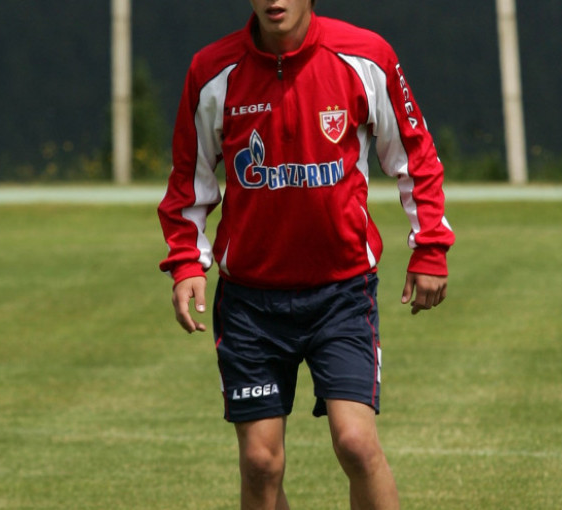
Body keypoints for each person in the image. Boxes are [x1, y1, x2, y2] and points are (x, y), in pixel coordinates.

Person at [158, 1, 455, 508]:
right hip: (250, 303)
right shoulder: (211, 71)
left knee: (356, 443)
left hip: (342, 292)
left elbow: (415, 155)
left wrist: (430, 246)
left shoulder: (366, 56)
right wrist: (187, 261)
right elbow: (190, 178)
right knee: (260, 463)